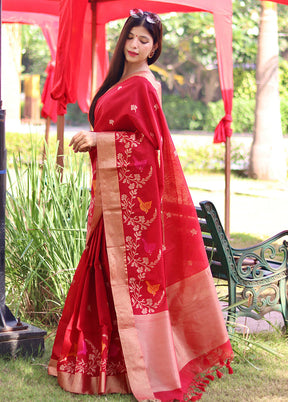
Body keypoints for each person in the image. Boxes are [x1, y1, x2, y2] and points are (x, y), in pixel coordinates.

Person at [48, 9, 233, 401]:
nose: (134, 45)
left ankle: (132, 365)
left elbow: (149, 150)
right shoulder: (120, 81)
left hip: (136, 205)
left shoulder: (145, 86)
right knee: (101, 270)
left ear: (155, 48)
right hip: (112, 197)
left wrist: (99, 141)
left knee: (127, 278)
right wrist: (97, 139)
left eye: (144, 40)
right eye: (130, 37)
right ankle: (100, 363)